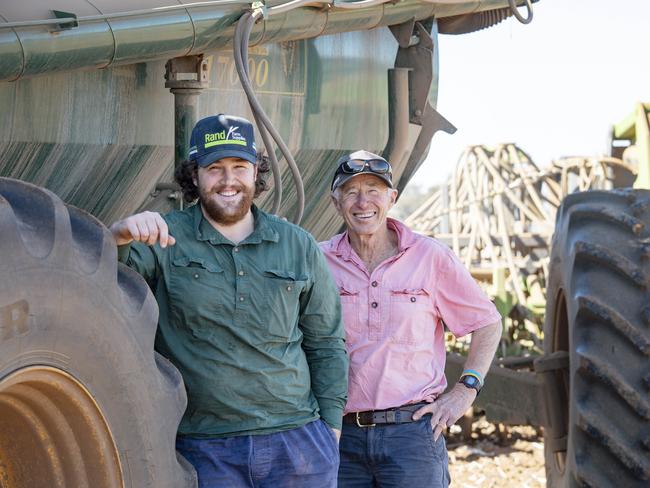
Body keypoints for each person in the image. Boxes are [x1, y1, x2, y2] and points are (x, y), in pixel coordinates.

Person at [110, 114, 348, 487]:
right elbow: (104, 282)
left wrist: (330, 428)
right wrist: (118, 236)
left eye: (239, 167)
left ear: (256, 172)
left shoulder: (296, 244)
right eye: (215, 168)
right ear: (194, 175)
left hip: (297, 443)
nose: (228, 180)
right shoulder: (165, 237)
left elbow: (327, 342)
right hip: (205, 448)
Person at [320, 150, 502, 487]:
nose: (363, 202)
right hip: (338, 437)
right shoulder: (319, 260)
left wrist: (466, 389)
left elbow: (487, 323)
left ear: (392, 198)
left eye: (374, 190)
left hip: (412, 435)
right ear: (336, 202)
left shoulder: (428, 257)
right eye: (352, 192)